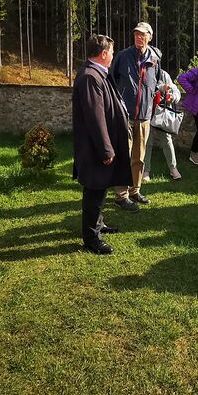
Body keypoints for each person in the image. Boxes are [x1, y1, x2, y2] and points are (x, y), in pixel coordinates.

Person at [72, 35, 131, 255]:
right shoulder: (90, 76)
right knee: (94, 191)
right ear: (104, 53)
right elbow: (94, 117)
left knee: (101, 187)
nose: (113, 56)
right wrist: (106, 149)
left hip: (99, 145)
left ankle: (98, 224)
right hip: (94, 147)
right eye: (112, 52)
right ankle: (91, 238)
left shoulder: (97, 73)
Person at [108, 21, 160, 210]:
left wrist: (158, 94)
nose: (139, 37)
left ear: (149, 37)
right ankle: (121, 196)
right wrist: (116, 106)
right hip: (125, 116)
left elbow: (155, 83)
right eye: (136, 33)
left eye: (143, 34)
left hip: (144, 117)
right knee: (123, 155)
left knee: (139, 157)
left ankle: (134, 191)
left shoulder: (154, 59)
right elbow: (110, 82)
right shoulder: (123, 56)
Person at [143, 67, 183, 182]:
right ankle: (145, 171)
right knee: (147, 142)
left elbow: (175, 91)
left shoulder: (163, 74)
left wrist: (173, 97)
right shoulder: (143, 72)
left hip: (162, 114)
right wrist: (160, 88)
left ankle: (173, 168)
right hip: (147, 113)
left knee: (166, 140)